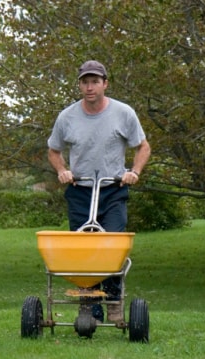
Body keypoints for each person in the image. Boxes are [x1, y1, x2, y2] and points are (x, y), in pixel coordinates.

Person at [47, 60, 151, 323]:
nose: (90, 87)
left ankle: (114, 302)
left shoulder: (123, 113)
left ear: (105, 84)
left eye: (95, 81)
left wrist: (134, 172)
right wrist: (62, 170)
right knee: (84, 252)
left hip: (113, 189)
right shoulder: (67, 116)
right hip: (80, 190)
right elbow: (53, 150)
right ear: (80, 85)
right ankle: (89, 307)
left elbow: (143, 147)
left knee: (113, 246)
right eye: (85, 82)